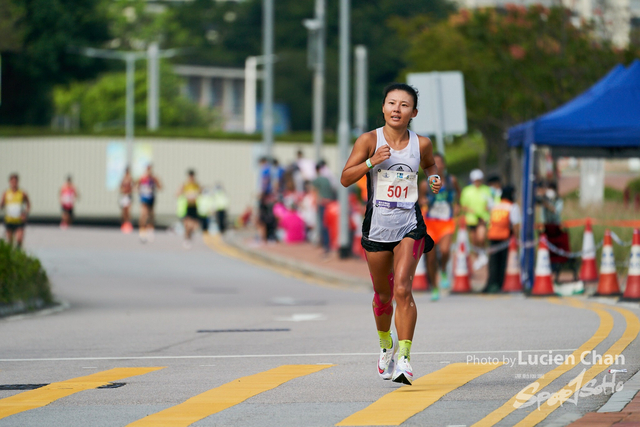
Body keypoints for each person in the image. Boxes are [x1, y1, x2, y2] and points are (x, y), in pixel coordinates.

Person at [340, 83, 442, 386]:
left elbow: (430, 165)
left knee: (402, 290)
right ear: (383, 108)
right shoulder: (369, 140)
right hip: (377, 227)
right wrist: (372, 161)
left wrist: (434, 178)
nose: (397, 109)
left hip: (409, 224)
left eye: (404, 105)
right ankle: (386, 346)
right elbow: (346, 178)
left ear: (414, 112)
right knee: (383, 296)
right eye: (392, 103)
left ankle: (405, 357)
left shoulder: (421, 143)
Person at [419, 153, 460, 301]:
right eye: (434, 163)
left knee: (445, 250)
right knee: (430, 258)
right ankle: (434, 287)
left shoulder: (451, 181)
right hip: (430, 223)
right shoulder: (424, 184)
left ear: (444, 165)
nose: (437, 166)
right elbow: (419, 201)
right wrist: (422, 200)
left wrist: (458, 206)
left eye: (440, 163)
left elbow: (459, 194)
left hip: (446, 222)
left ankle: (443, 270)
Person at [483, 185, 521, 293]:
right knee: (503, 263)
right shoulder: (512, 207)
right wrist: (516, 240)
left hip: (493, 237)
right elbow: (515, 225)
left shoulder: (496, 206)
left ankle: (491, 284)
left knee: (493, 263)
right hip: (505, 237)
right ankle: (500, 284)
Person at [459, 169, 492, 268]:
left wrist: (488, 208)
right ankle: (477, 257)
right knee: (473, 240)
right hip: (471, 219)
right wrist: (470, 210)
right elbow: (463, 205)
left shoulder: (486, 190)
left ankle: (483, 253)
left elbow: (491, 202)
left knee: (481, 237)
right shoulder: (467, 191)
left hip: (482, 218)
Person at [1, 173, 31, 248]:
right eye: (12, 182)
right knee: (10, 241)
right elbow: (2, 204)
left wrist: (25, 214)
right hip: (9, 220)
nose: (14, 183)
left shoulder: (22, 193)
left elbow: (28, 204)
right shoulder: (6, 193)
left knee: (19, 239)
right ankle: (12, 257)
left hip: (19, 220)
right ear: (10, 182)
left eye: (15, 182)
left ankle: (18, 253)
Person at [312, 162, 336, 254]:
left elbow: (315, 191)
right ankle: (329, 244)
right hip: (331, 203)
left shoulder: (318, 178)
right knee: (330, 225)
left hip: (322, 203)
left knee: (324, 225)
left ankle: (326, 245)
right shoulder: (330, 176)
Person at [136, 164, 162, 243]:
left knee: (151, 215)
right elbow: (136, 186)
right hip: (144, 199)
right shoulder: (142, 178)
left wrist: (155, 183)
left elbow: (160, 187)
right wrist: (140, 190)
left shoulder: (153, 178)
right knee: (143, 215)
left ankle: (150, 231)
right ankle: (142, 233)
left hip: (151, 199)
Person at [177, 169, 201, 249]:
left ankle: (189, 236)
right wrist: (184, 194)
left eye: (192, 176)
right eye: (190, 176)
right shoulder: (185, 185)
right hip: (187, 207)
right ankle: (187, 238)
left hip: (194, 207)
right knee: (187, 224)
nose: (191, 178)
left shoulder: (196, 185)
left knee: (194, 226)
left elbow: (200, 192)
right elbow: (178, 194)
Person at [119, 167, 134, 233]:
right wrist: (122, 190)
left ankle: (128, 225)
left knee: (128, 211)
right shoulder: (123, 178)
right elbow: (120, 187)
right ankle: (123, 224)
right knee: (124, 212)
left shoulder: (130, 178)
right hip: (124, 196)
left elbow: (133, 186)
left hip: (128, 196)